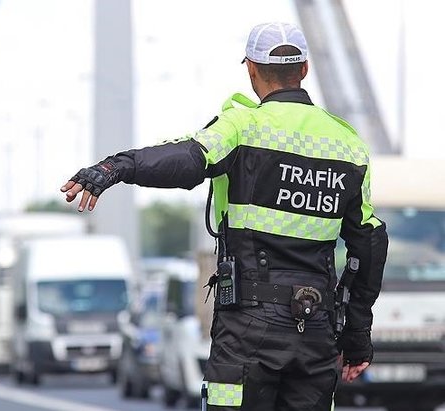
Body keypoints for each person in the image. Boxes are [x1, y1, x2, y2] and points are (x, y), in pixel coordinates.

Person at [61, 22, 388, 410]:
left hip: (248, 331)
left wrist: (116, 168)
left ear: (251, 69)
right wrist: (356, 337)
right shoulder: (348, 145)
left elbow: (185, 159)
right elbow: (368, 244)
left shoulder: (242, 127)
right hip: (315, 329)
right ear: (304, 70)